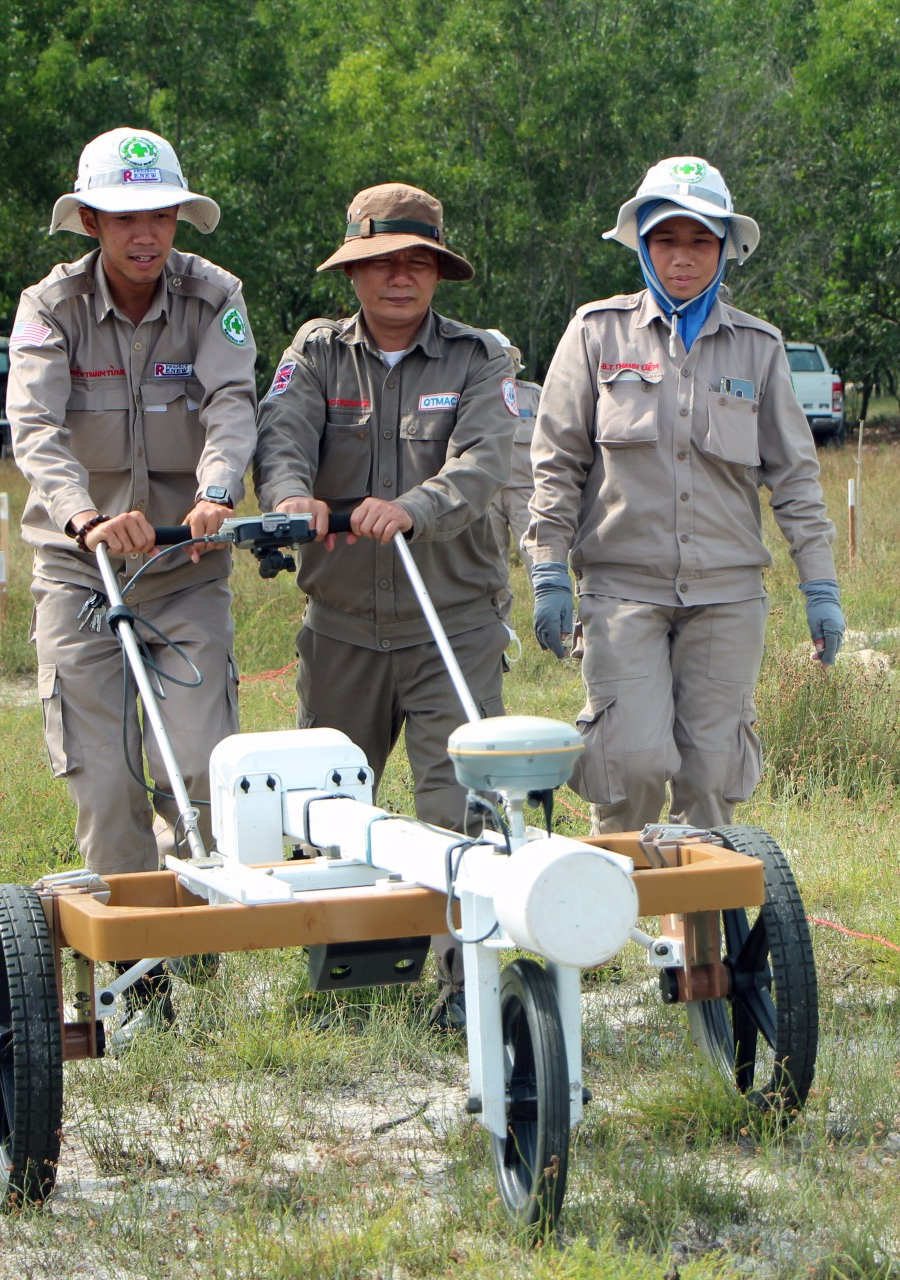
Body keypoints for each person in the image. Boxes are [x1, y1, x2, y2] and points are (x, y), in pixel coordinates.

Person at [251, 183, 515, 1025]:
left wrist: (418, 505)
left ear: (438, 272)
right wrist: (291, 497)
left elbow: (482, 464)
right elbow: (282, 435)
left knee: (460, 808)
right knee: (332, 807)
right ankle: (349, 984)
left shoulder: (482, 358)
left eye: (417, 262)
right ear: (353, 272)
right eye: (381, 263)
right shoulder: (317, 352)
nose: (399, 278)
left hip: (454, 626)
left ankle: (458, 986)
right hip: (341, 630)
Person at [526, 156, 843, 835]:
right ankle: (602, 934)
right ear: (640, 243)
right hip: (621, 591)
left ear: (726, 249)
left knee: (712, 775)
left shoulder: (758, 347)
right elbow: (555, 462)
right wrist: (549, 570)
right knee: (629, 766)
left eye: (701, 241)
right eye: (666, 239)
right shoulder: (594, 333)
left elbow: (794, 477)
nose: (683, 257)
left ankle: (701, 944)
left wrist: (821, 588)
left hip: (727, 597)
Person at [9, 127, 256, 879]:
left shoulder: (216, 296)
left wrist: (216, 494)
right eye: (125, 218)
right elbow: (35, 426)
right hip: (80, 573)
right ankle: (140, 975)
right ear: (90, 222)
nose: (146, 235)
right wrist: (85, 520)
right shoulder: (50, 307)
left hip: (185, 566)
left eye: (161, 216)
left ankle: (198, 948)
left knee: (203, 775)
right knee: (107, 783)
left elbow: (233, 404)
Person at [481, 328, 542, 567]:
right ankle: (496, 607)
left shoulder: (534, 395)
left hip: (527, 492)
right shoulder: (469, 398)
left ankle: (550, 605)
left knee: (537, 559)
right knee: (488, 564)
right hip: (486, 493)